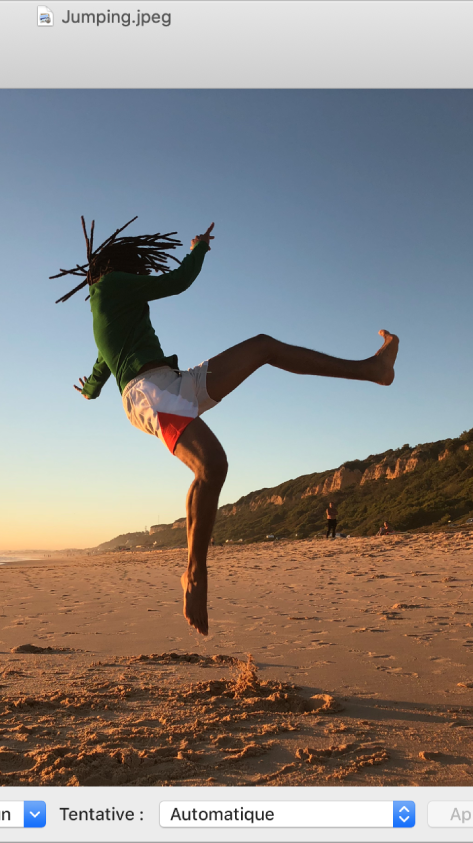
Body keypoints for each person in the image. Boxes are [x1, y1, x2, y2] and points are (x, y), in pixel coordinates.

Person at [56, 218, 400, 636]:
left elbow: (102, 361)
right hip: (149, 393)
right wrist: (198, 248)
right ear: (117, 266)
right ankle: (195, 574)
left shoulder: (109, 305)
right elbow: (179, 281)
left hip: (173, 382)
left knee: (262, 346)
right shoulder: (111, 286)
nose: (139, 274)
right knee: (213, 466)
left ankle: (373, 368)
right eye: (136, 268)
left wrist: (90, 389)